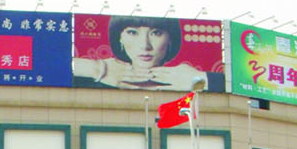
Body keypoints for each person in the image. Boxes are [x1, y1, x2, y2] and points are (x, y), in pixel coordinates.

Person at [73, 16, 224, 91]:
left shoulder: (188, 80)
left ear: (170, 39)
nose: (145, 45)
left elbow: (236, 84)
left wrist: (202, 80)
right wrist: (93, 69)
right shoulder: (91, 79)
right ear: (120, 38)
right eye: (133, 33)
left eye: (156, 33)